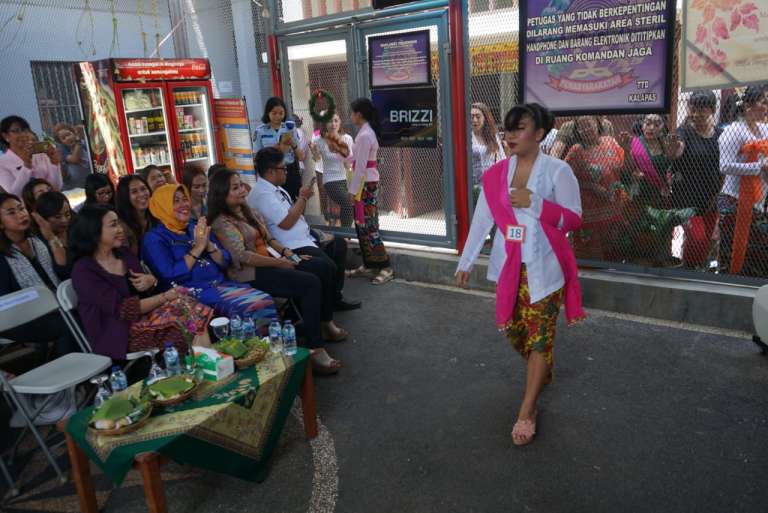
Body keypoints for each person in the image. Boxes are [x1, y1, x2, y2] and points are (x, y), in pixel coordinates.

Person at [455, 103, 584, 446]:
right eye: (508, 129)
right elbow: (482, 219)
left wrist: (535, 203)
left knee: (540, 337)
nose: (510, 135)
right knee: (514, 330)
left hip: (547, 268)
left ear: (539, 134)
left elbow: (574, 218)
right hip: (510, 267)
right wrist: (466, 261)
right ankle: (540, 370)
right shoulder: (497, 173)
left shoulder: (558, 172)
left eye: (519, 128)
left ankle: (527, 410)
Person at [208, 170, 345, 374]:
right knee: (310, 283)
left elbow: (270, 239)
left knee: (321, 267)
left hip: (274, 259)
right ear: (221, 194)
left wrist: (291, 256)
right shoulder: (221, 221)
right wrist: (280, 263)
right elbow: (243, 256)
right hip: (251, 273)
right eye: (234, 188)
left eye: (240, 185)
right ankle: (315, 348)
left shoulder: (248, 210)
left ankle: (325, 323)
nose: (242, 190)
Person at [71, 206, 212, 360]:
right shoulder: (83, 271)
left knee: (190, 306)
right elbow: (124, 310)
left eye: (118, 223)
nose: (120, 229)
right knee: (179, 326)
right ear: (94, 231)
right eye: (113, 225)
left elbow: (147, 293)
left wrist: (152, 281)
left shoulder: (124, 255)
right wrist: (165, 297)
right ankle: (197, 367)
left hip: (145, 317)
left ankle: (208, 365)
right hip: (119, 334)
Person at [142, 184, 276, 323]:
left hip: (221, 285)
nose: (184, 204)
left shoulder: (195, 226)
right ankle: (252, 343)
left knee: (263, 298)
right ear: (163, 206)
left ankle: (265, 343)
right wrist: (198, 248)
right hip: (189, 293)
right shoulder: (154, 238)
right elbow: (170, 274)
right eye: (176, 201)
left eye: (184, 199)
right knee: (247, 306)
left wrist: (210, 246)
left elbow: (224, 261)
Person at [249, 147, 361, 311]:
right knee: (326, 266)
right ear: (271, 171)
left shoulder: (276, 188)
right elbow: (286, 222)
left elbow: (294, 213)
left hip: (305, 237)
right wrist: (303, 198)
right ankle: (325, 315)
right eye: (283, 168)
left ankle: (334, 298)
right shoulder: (262, 194)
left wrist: (302, 199)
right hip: (291, 245)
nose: (286, 172)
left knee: (339, 245)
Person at [0, 193, 75, 358]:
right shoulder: (2, 256)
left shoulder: (37, 239)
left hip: (56, 305)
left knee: (81, 312)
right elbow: (5, 300)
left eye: (21, 209)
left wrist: (51, 237)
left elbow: (63, 270)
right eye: (11, 212)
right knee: (67, 324)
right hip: (19, 315)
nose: (21, 214)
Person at [618, 114, 684, 266]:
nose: (651, 128)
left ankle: (661, 264)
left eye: (656, 124)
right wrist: (627, 152)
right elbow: (625, 170)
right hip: (639, 196)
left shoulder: (666, 143)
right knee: (640, 234)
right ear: (642, 125)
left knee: (662, 233)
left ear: (663, 127)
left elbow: (675, 160)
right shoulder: (635, 143)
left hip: (661, 197)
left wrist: (675, 147)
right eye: (648, 123)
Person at [717, 85, 768, 277]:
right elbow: (725, 166)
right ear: (748, 106)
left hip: (758, 201)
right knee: (733, 250)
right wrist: (758, 167)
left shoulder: (764, 129)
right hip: (734, 201)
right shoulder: (732, 131)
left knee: (757, 251)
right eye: (763, 102)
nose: (766, 107)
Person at [671, 91, 723, 269]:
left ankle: (698, 271)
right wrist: (674, 146)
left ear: (712, 110)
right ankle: (689, 271)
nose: (694, 114)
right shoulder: (684, 132)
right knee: (697, 238)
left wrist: (719, 195)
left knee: (708, 240)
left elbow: (724, 169)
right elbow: (676, 151)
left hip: (711, 199)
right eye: (691, 109)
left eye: (700, 110)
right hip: (687, 199)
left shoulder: (721, 135)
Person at [564, 116, 627, 261]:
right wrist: (591, 186)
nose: (586, 129)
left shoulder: (610, 142)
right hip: (589, 214)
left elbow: (624, 167)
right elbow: (565, 178)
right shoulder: (576, 150)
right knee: (590, 260)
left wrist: (627, 149)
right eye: (581, 126)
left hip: (613, 211)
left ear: (597, 123)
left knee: (612, 258)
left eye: (588, 124)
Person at [346, 98, 394, 285]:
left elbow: (360, 167)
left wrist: (353, 189)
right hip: (365, 183)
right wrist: (341, 153)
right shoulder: (364, 133)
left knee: (370, 226)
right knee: (362, 225)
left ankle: (386, 267)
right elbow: (355, 159)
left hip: (366, 184)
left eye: (352, 113)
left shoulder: (365, 135)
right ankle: (369, 263)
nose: (351, 116)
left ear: (359, 114)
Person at [253, 97, 305, 200]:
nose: (278, 116)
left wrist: (293, 144)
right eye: (274, 113)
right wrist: (274, 149)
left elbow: (301, 157)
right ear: (268, 113)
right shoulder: (260, 131)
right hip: (270, 173)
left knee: (295, 203)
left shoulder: (290, 128)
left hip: (290, 171)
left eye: (281, 113)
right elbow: (256, 158)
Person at [310, 113, 354, 227]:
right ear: (325, 124)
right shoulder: (320, 141)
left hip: (344, 179)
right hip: (330, 180)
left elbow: (348, 164)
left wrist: (342, 151)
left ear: (340, 122)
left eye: (335, 121)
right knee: (347, 204)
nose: (333, 124)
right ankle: (346, 233)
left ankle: (345, 234)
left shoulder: (347, 138)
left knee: (348, 205)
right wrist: (314, 151)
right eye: (330, 121)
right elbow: (317, 159)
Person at [0, 116, 62, 195]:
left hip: (50, 202)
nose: (23, 134)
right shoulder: (2, 163)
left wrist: (55, 163)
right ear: (6, 136)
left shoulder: (41, 155)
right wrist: (26, 166)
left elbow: (56, 186)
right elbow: (14, 194)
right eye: (16, 131)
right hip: (25, 206)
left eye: (25, 130)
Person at [470, 102, 505, 202]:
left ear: (485, 118)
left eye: (478, 116)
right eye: (471, 117)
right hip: (474, 187)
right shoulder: (467, 136)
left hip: (492, 185)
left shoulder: (492, 136)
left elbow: (501, 159)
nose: (474, 120)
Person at [115, 174, 154, 256]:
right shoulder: (121, 227)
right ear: (125, 196)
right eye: (134, 192)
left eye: (143, 189)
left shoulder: (156, 217)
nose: (141, 194)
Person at [53, 122, 90, 189]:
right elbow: (74, 159)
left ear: (74, 133)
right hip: (75, 188)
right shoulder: (64, 150)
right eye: (64, 138)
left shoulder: (84, 143)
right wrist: (78, 142)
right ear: (61, 142)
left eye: (68, 134)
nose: (67, 138)